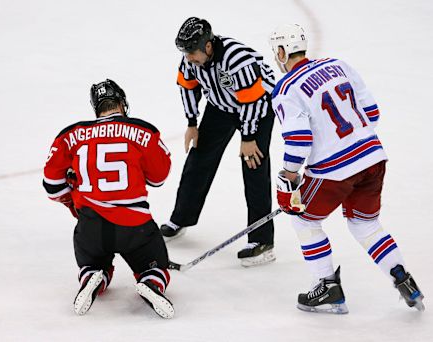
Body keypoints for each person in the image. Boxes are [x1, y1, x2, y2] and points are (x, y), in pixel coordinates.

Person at [269, 24, 424, 313]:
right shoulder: (338, 65)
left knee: (304, 220)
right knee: (365, 224)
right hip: (373, 158)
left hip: (334, 171)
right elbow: (373, 112)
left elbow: (299, 140)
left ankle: (327, 286)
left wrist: (289, 179)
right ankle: (404, 279)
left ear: (280, 52)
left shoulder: (286, 89)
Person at [43, 79, 175, 318]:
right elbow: (158, 178)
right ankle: (152, 283)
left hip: (90, 226)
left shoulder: (70, 135)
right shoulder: (144, 130)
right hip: (136, 227)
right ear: (122, 103)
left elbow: (52, 186)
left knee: (92, 262)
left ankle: (93, 276)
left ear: (96, 107)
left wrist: (74, 203)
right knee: (155, 267)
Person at [161, 17, 276, 267]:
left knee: (254, 166)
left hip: (258, 108)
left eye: (192, 52)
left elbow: (253, 101)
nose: (188, 57)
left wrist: (248, 137)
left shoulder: (238, 60)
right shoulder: (191, 57)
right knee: (198, 158)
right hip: (221, 106)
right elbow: (187, 86)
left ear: (208, 46)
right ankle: (182, 218)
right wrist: (192, 123)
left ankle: (262, 241)